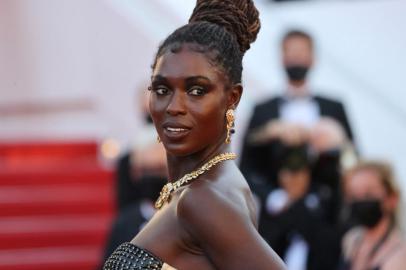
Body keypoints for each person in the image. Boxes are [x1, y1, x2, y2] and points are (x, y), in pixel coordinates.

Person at [103, 0, 286, 269]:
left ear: (232, 98)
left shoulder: (202, 200)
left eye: (197, 91)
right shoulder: (209, 184)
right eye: (162, 89)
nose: (174, 107)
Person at [240, 29, 354, 194]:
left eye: (301, 52)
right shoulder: (263, 110)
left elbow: (352, 157)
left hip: (325, 208)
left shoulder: (334, 108)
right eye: (291, 52)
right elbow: (247, 163)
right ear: (282, 58)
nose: (296, 58)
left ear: (313, 58)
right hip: (276, 209)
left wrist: (332, 141)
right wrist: (272, 198)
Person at [339, 161, 406, 270]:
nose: (360, 201)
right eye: (353, 195)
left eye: (368, 194)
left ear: (392, 199)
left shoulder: (400, 255)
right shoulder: (351, 240)